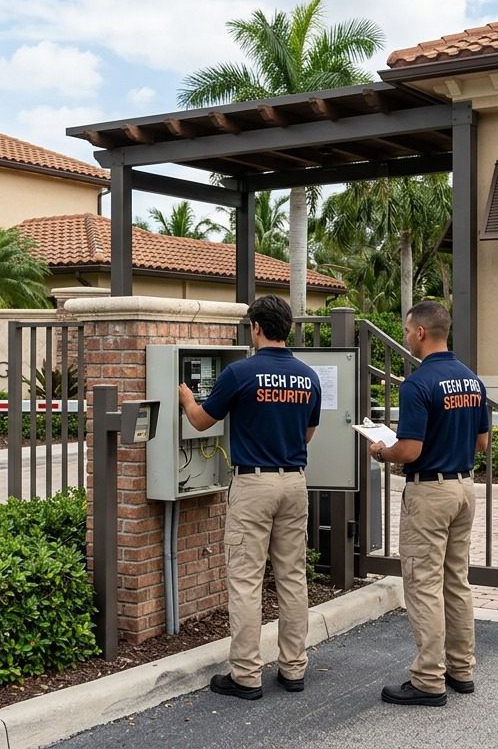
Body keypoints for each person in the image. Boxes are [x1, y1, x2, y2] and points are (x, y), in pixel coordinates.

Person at [179, 295, 321, 701]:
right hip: (294, 482)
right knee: (292, 578)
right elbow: (307, 433)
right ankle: (294, 669)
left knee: (246, 580)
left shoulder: (241, 373)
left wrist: (187, 398)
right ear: (288, 328)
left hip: (253, 485)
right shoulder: (307, 376)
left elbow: (202, 420)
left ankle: (246, 675)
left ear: (256, 328)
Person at [370, 300, 489, 707]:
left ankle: (427, 680)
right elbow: (482, 443)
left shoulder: (418, 384)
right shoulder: (472, 381)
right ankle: (461, 669)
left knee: (423, 585)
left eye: (407, 330)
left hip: (429, 493)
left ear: (421, 332)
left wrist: (381, 451)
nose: (406, 336)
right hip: (463, 487)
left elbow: (410, 450)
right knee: (456, 581)